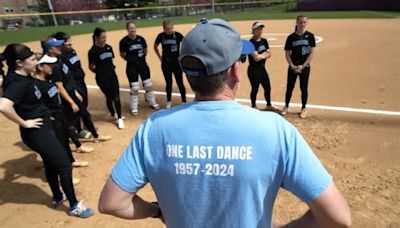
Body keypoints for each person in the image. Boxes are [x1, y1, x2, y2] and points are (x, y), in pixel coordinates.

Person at [98, 18, 351, 228]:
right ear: (234, 71)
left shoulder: (154, 128)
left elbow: (112, 202)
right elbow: (338, 218)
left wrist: (155, 211)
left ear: (188, 73)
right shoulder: (275, 130)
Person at [0, 44, 94, 218]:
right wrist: (24, 123)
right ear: (20, 63)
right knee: (65, 165)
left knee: (51, 163)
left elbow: (32, 102)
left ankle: (58, 196)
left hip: (44, 126)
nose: (36, 62)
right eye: (33, 59)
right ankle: (74, 205)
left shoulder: (25, 76)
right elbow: (4, 106)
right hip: (36, 132)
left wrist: (44, 113)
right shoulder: (15, 81)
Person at [41, 37, 111, 144]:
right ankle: (77, 145)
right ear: (50, 50)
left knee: (84, 114)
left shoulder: (58, 59)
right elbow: (59, 86)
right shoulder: (52, 66)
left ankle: (95, 136)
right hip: (66, 97)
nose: (60, 47)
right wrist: (72, 102)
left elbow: (68, 79)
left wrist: (75, 91)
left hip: (71, 92)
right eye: (57, 46)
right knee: (69, 122)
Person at [34, 53, 89, 168]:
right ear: (40, 67)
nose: (52, 66)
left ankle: (71, 161)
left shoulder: (48, 80)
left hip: (59, 114)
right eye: (48, 64)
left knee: (64, 139)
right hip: (51, 119)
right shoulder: (36, 85)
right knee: (57, 145)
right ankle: (62, 172)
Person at [52, 32, 92, 136]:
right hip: (73, 85)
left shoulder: (72, 52)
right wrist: (74, 89)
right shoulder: (60, 58)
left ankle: (84, 127)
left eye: (71, 43)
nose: (71, 46)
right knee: (78, 108)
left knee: (84, 104)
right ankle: (78, 130)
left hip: (81, 83)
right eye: (68, 44)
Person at [119, 21, 159, 115]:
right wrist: (131, 60)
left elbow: (145, 50)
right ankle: (134, 106)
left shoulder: (141, 39)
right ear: (127, 29)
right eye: (130, 28)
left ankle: (150, 101)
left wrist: (140, 59)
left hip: (142, 65)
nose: (132, 29)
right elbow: (122, 54)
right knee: (135, 87)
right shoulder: (124, 41)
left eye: (133, 27)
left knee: (148, 85)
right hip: (131, 66)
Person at [89, 27, 125, 129]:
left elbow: (110, 60)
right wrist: (99, 73)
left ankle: (119, 118)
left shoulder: (109, 47)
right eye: (102, 37)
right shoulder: (93, 51)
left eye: (105, 37)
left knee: (116, 96)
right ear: (96, 38)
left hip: (112, 75)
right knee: (109, 97)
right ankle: (113, 113)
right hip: (102, 78)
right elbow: (91, 66)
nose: (104, 39)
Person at [282, 15, 316, 118]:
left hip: (305, 67)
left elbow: (311, 53)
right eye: (300, 22)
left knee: (304, 88)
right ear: (296, 23)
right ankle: (286, 106)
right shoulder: (291, 37)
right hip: (293, 66)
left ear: (307, 23)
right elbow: (287, 54)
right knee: (289, 87)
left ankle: (303, 108)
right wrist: (292, 65)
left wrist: (303, 65)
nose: (302, 24)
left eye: (304, 22)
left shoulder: (310, 36)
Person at [154, 20, 186, 108]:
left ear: (173, 27)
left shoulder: (178, 35)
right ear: (163, 29)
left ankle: (184, 101)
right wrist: (160, 57)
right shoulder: (161, 36)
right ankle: (168, 101)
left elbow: (186, 44)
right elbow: (155, 46)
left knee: (180, 82)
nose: (169, 30)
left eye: (171, 28)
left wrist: (182, 56)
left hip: (177, 63)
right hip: (166, 63)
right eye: (167, 29)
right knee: (169, 83)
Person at [247, 21, 277, 111]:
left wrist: (261, 55)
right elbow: (256, 58)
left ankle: (268, 105)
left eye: (261, 29)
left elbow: (269, 54)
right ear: (253, 30)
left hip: (262, 68)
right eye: (258, 29)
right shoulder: (250, 43)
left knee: (267, 87)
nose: (260, 30)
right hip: (253, 70)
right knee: (255, 88)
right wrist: (264, 54)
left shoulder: (264, 41)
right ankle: (253, 106)